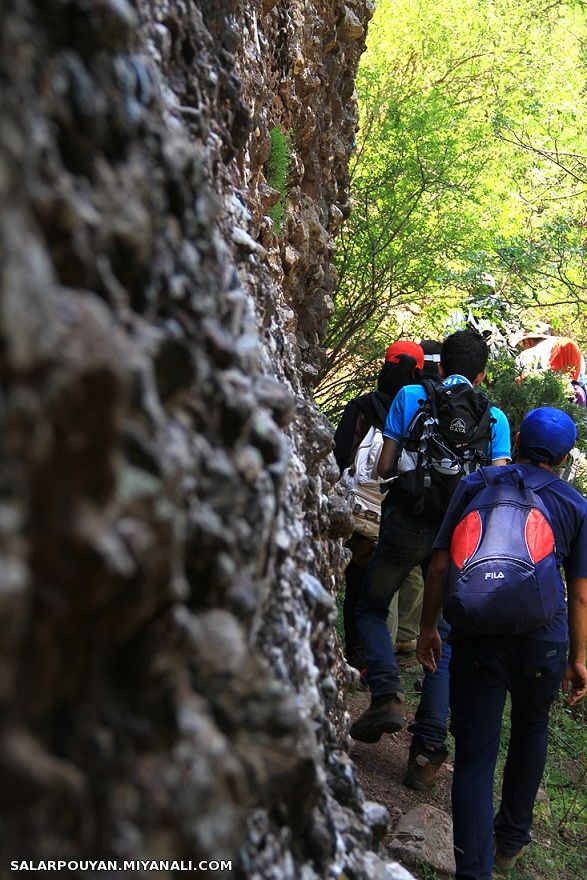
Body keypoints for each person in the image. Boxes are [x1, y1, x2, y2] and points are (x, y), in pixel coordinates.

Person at [417, 407, 587, 880]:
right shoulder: (575, 504)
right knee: (531, 729)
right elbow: (581, 593)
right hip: (544, 643)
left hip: (477, 636)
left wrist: (430, 628)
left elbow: (438, 565)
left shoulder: (476, 485)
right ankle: (510, 840)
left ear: (517, 437)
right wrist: (579, 658)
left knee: (475, 754)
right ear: (566, 456)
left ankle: (473, 870)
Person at [350, 330, 511, 742]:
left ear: (439, 367)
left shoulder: (410, 397)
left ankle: (386, 693)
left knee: (371, 607)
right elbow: (495, 491)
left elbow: (384, 467)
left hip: (407, 520)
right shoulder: (495, 419)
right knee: (440, 633)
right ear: (481, 376)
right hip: (456, 537)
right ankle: (429, 742)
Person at [333, 340, 425, 669]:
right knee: (376, 585)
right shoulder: (419, 413)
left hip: (355, 509)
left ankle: (348, 651)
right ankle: (373, 656)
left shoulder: (361, 405)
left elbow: (340, 452)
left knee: (347, 580)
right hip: (393, 513)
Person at [388, 340, 443, 655]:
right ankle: (410, 633)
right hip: (445, 505)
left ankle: (389, 639)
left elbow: (385, 464)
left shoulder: (408, 397)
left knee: (397, 564)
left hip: (408, 497)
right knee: (422, 567)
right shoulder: (478, 409)